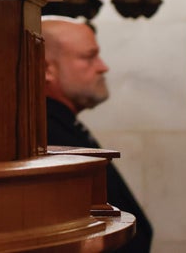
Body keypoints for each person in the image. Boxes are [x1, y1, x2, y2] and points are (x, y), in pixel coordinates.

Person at [43, 16, 152, 251]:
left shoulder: (61, 120)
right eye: (89, 57)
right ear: (46, 69)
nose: (103, 67)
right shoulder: (43, 131)